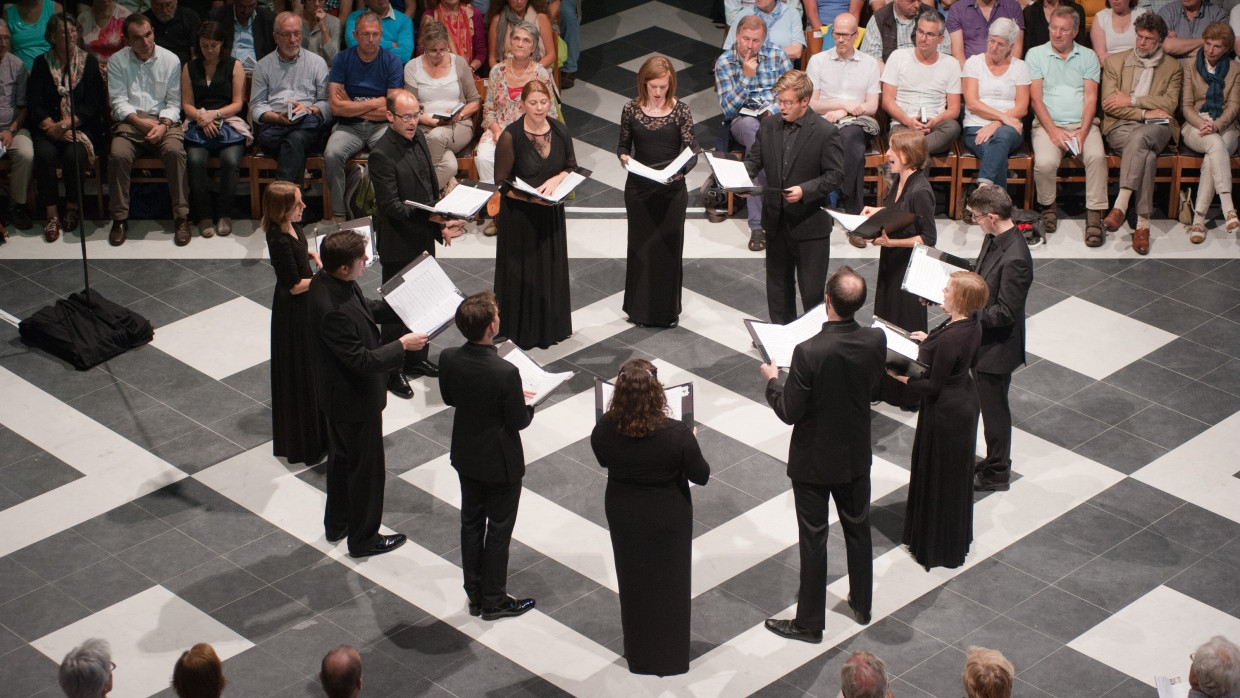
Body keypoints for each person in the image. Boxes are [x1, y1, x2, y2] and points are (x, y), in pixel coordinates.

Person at [760, 266, 886, 644]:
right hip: (854, 455)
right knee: (858, 530)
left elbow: (789, 412)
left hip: (814, 461)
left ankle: (810, 623)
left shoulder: (808, 351)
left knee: (813, 539)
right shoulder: (875, 340)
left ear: (827, 301)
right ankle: (862, 603)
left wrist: (772, 381)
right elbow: (874, 384)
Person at [308, 229, 424, 557]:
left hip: (338, 397)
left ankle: (338, 523)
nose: (366, 262)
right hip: (353, 401)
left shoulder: (328, 281)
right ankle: (363, 539)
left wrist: (400, 304)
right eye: (361, 260)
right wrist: (401, 345)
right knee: (367, 473)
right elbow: (360, 360)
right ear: (344, 267)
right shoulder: (332, 310)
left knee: (342, 462)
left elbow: (365, 307)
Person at [591, 358, 710, 676]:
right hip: (668, 516)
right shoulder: (678, 433)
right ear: (658, 394)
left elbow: (603, 459)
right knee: (671, 584)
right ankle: (671, 657)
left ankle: (639, 656)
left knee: (633, 582)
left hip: (624, 512)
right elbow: (701, 475)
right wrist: (693, 442)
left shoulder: (605, 429)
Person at [439, 291, 538, 621]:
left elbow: (451, 397)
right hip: (500, 461)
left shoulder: (449, 357)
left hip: (466, 453)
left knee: (470, 523)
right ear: (491, 327)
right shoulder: (506, 372)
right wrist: (528, 404)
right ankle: (494, 600)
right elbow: (518, 421)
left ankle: (475, 594)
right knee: (498, 530)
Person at [369, 90, 467, 397]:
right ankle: (392, 370)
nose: (413, 122)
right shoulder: (381, 154)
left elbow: (428, 190)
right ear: (390, 117)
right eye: (406, 117)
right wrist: (431, 218)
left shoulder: (421, 139)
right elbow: (390, 207)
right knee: (397, 310)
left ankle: (415, 360)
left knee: (423, 304)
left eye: (415, 115)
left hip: (423, 238)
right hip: (398, 242)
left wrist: (439, 225)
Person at [891, 270, 987, 569]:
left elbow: (932, 385)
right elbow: (945, 349)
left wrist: (900, 377)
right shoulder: (969, 322)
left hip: (946, 412)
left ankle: (936, 545)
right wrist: (927, 339)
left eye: (947, 291)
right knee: (950, 476)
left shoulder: (953, 339)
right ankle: (947, 538)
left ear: (960, 299)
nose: (942, 294)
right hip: (963, 402)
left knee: (941, 476)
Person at [743, 69, 843, 325]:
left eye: (788, 102)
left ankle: (813, 340)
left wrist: (805, 191)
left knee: (811, 292)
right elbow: (754, 161)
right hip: (776, 222)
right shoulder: (768, 125)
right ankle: (781, 335)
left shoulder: (824, 131)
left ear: (804, 101)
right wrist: (739, 181)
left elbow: (835, 176)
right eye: (780, 100)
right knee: (778, 288)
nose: (782, 107)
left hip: (809, 225)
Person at [492, 79, 573, 349]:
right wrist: (532, 199)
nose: (539, 108)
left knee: (549, 268)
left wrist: (558, 178)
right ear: (522, 104)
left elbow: (572, 167)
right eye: (533, 102)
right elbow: (502, 184)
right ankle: (519, 329)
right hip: (520, 217)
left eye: (544, 102)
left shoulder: (560, 131)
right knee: (522, 271)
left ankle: (550, 326)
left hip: (550, 213)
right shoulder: (510, 136)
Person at [617, 56, 697, 329]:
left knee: (667, 250)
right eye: (654, 86)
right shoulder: (630, 109)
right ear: (644, 83)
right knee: (640, 249)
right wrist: (625, 158)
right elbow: (623, 146)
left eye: (664, 86)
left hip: (671, 190)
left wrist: (678, 173)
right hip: (639, 189)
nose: (659, 92)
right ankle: (638, 310)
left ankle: (665, 312)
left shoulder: (681, 111)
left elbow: (691, 153)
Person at [861, 129, 935, 410]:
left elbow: (928, 237)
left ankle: (909, 393)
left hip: (909, 270)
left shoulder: (921, 190)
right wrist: (875, 213)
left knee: (906, 328)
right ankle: (886, 385)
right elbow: (895, 214)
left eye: (893, 150)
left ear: (907, 155)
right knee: (886, 322)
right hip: (892, 263)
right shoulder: (898, 181)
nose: (888, 154)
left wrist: (892, 242)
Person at [1100, 12, 1182, 255]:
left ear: (1160, 41)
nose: (1142, 42)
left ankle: (1120, 204)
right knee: (1146, 155)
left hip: (1159, 128)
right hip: (1121, 127)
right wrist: (1146, 113)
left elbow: (1168, 105)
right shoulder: (1116, 62)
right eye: (1140, 36)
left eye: (1149, 39)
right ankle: (1143, 226)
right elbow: (1109, 104)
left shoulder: (1172, 66)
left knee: (1142, 138)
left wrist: (1132, 100)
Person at [968, 185, 1032, 492]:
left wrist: (964, 310)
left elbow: (1006, 312)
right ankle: (993, 460)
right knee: (985, 405)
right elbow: (979, 274)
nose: (975, 222)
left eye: (976, 217)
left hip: (997, 348)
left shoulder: (1016, 257)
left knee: (994, 412)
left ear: (992, 216)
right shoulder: (993, 238)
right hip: (982, 341)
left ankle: (998, 471)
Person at [106, 13, 190, 246]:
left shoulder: (170, 59)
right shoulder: (117, 61)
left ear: (153, 31)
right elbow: (118, 101)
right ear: (127, 40)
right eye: (138, 38)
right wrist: (139, 122)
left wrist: (163, 126)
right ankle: (120, 219)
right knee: (118, 155)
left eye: (148, 35)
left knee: (175, 153)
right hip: (131, 119)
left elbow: (174, 103)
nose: (145, 43)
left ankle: (181, 217)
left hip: (163, 120)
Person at [1027, 5, 1107, 240]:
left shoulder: (1088, 55)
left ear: (1075, 32)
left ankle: (1094, 217)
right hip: (1047, 125)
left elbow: (1091, 97)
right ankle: (1048, 208)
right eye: (1053, 28)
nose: (1057, 34)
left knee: (1096, 158)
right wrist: (1052, 132)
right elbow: (1035, 98)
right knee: (1044, 162)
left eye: (1063, 29)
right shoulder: (1035, 54)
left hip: (1083, 125)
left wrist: (1082, 132)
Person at [715, 16, 793, 252]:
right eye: (746, 39)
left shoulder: (777, 55)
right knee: (754, 132)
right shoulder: (725, 62)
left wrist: (773, 110)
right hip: (743, 121)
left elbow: (792, 91)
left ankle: (762, 222)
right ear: (737, 36)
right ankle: (761, 223)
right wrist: (746, 78)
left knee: (759, 147)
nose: (750, 45)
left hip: (777, 118)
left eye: (756, 40)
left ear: (764, 40)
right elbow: (728, 109)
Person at [263, 181, 327, 465]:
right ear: (282, 209)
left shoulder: (294, 226)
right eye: (297, 204)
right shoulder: (277, 237)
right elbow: (293, 285)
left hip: (304, 306)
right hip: (293, 312)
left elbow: (299, 252)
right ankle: (304, 442)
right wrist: (326, 280)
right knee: (300, 372)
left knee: (312, 370)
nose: (303, 207)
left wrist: (311, 254)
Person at [27, 13, 103, 243]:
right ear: (51, 37)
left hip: (79, 127)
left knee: (74, 155)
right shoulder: (42, 63)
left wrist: (64, 125)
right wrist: (52, 126)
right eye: (63, 33)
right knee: (44, 153)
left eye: (73, 31)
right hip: (47, 128)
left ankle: (72, 207)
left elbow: (92, 105)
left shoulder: (88, 62)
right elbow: (34, 102)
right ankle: (51, 214)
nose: (70, 36)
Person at [325, 11, 403, 221]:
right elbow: (336, 108)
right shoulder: (342, 59)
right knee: (332, 155)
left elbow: (392, 109)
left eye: (376, 34)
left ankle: (385, 212)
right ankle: (339, 213)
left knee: (391, 155)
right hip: (348, 126)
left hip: (380, 126)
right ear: (355, 34)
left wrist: (352, 103)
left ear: (381, 34)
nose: (371, 39)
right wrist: (377, 101)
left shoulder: (392, 62)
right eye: (366, 34)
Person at [476, 20, 555, 226]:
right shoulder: (497, 71)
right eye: (516, 39)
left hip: (530, 130)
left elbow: (550, 112)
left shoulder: (540, 73)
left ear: (534, 46)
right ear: (510, 43)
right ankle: (496, 211)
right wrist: (496, 131)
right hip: (499, 129)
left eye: (526, 40)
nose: (520, 43)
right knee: (484, 156)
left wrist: (531, 132)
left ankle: (523, 210)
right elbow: (489, 109)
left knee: (526, 159)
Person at [806, 12, 881, 214]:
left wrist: (844, 112)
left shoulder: (869, 63)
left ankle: (836, 197)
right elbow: (811, 104)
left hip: (857, 122)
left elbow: (872, 106)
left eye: (846, 35)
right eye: (837, 34)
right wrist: (842, 105)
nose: (840, 39)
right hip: (824, 121)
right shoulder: (818, 61)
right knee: (838, 142)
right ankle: (851, 207)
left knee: (850, 138)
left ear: (856, 35)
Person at [181, 20, 248, 239]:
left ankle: (225, 214)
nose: (209, 50)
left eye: (213, 45)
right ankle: (204, 215)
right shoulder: (190, 67)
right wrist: (202, 116)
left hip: (227, 121)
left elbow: (238, 103)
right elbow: (187, 104)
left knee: (229, 160)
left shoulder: (234, 65)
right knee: (194, 160)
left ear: (222, 44)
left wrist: (215, 114)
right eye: (204, 46)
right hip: (199, 122)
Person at [251, 12, 332, 188]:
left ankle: (285, 203)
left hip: (308, 125)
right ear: (275, 37)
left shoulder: (317, 63)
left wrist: (308, 110)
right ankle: (292, 204)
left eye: (297, 34)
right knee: (293, 140)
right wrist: (277, 118)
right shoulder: (262, 66)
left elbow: (326, 103)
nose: (293, 40)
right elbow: (256, 106)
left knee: (297, 137)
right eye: (287, 35)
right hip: (276, 126)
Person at [403, 20, 482, 191]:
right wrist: (431, 122)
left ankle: (418, 197)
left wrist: (458, 116)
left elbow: (475, 101)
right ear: (424, 47)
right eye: (433, 51)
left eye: (442, 49)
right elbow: (411, 107)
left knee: (438, 136)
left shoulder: (459, 63)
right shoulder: (412, 67)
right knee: (449, 166)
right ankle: (436, 194)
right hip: (424, 126)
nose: (438, 55)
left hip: (458, 124)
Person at [1181, 22, 1238, 241]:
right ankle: (1228, 205)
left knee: (1211, 157)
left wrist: (1217, 125)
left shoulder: (1234, 69)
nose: (1210, 50)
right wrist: (1201, 122)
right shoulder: (1190, 65)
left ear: (1226, 49)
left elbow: (1233, 106)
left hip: (1225, 126)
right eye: (1207, 44)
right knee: (1215, 144)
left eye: (1217, 46)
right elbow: (1186, 105)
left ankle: (1198, 220)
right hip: (1195, 124)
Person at [960, 18, 1030, 195]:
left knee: (1002, 136)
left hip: (1009, 129)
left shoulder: (1020, 67)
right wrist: (1004, 117)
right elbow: (972, 103)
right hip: (975, 126)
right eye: (991, 41)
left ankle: (982, 190)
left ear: (1011, 46)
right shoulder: (974, 63)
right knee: (995, 154)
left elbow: (1022, 108)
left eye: (1000, 44)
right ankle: (1000, 208)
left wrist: (998, 123)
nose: (993, 47)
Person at [881, 10, 963, 156]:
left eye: (930, 34)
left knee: (953, 127)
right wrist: (909, 121)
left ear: (941, 38)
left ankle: (906, 152)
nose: (923, 38)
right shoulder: (898, 57)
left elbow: (954, 109)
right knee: (921, 158)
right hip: (903, 124)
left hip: (936, 126)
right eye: (920, 32)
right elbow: (887, 101)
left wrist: (935, 121)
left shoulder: (951, 64)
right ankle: (914, 152)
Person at [0, 22, 34, 239]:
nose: (2, 43)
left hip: (14, 128)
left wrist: (11, 130)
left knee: (25, 153)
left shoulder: (17, 65)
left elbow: (23, 106)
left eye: (5, 38)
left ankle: (17, 205)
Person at [859, 0, 952, 65]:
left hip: (928, 78)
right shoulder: (879, 19)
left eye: (919, 0)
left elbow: (944, 55)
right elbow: (872, 61)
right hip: (891, 81)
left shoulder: (933, 16)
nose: (917, 5)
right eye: (910, 1)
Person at [722, 0, 806, 62]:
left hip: (783, 74)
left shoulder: (792, 14)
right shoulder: (744, 14)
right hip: (749, 72)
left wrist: (759, 54)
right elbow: (729, 51)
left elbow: (796, 52)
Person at [947, 0, 1026, 64]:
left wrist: (1007, 75)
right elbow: (957, 52)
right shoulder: (957, 9)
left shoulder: (1013, 7)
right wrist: (968, 75)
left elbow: (1016, 49)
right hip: (971, 71)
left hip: (1005, 71)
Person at [486, 0, 555, 71]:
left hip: (537, 71)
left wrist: (532, 71)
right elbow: (492, 57)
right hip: (506, 72)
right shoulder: (497, 21)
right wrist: (500, 73)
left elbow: (551, 54)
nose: (519, 2)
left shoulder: (541, 18)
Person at [421, 0, 485, 75]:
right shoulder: (430, 15)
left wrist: (470, 69)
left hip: (468, 73)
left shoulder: (474, 14)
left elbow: (481, 52)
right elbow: (422, 51)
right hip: (438, 74)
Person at [209, 0, 276, 65]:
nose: (246, 11)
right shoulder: (217, 17)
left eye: (251, 6)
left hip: (257, 72)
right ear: (235, 1)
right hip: (226, 71)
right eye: (242, 6)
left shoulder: (268, 19)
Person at [345, 0, 414, 63]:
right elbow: (354, 46)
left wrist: (368, 52)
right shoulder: (354, 18)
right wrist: (391, 44)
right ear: (366, 1)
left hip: (392, 72)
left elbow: (404, 54)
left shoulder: (404, 21)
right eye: (366, 34)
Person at [1157, 0, 1227, 58]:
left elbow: (1219, 48)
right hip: (1174, 71)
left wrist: (1178, 49)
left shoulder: (1217, 14)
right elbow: (1168, 46)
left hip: (1206, 72)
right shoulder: (1168, 11)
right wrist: (1207, 40)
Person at [5, 0, 63, 71]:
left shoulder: (56, 8)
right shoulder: (7, 15)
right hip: (19, 75)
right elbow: (5, 53)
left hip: (52, 72)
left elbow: (65, 44)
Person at [78, 0, 130, 68]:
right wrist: (93, 66)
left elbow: (132, 52)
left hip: (121, 69)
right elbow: (78, 51)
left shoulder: (126, 17)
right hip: (92, 70)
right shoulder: (82, 19)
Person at [145, 0, 200, 64]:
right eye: (159, 5)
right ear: (151, 4)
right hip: (153, 65)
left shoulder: (190, 17)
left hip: (183, 66)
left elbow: (195, 54)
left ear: (176, 2)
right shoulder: (144, 20)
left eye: (168, 5)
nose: (164, 10)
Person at [301, 0, 341, 66]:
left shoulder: (334, 22)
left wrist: (323, 28)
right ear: (304, 1)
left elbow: (335, 59)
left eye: (321, 0)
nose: (317, 4)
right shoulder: (294, 21)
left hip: (324, 71)